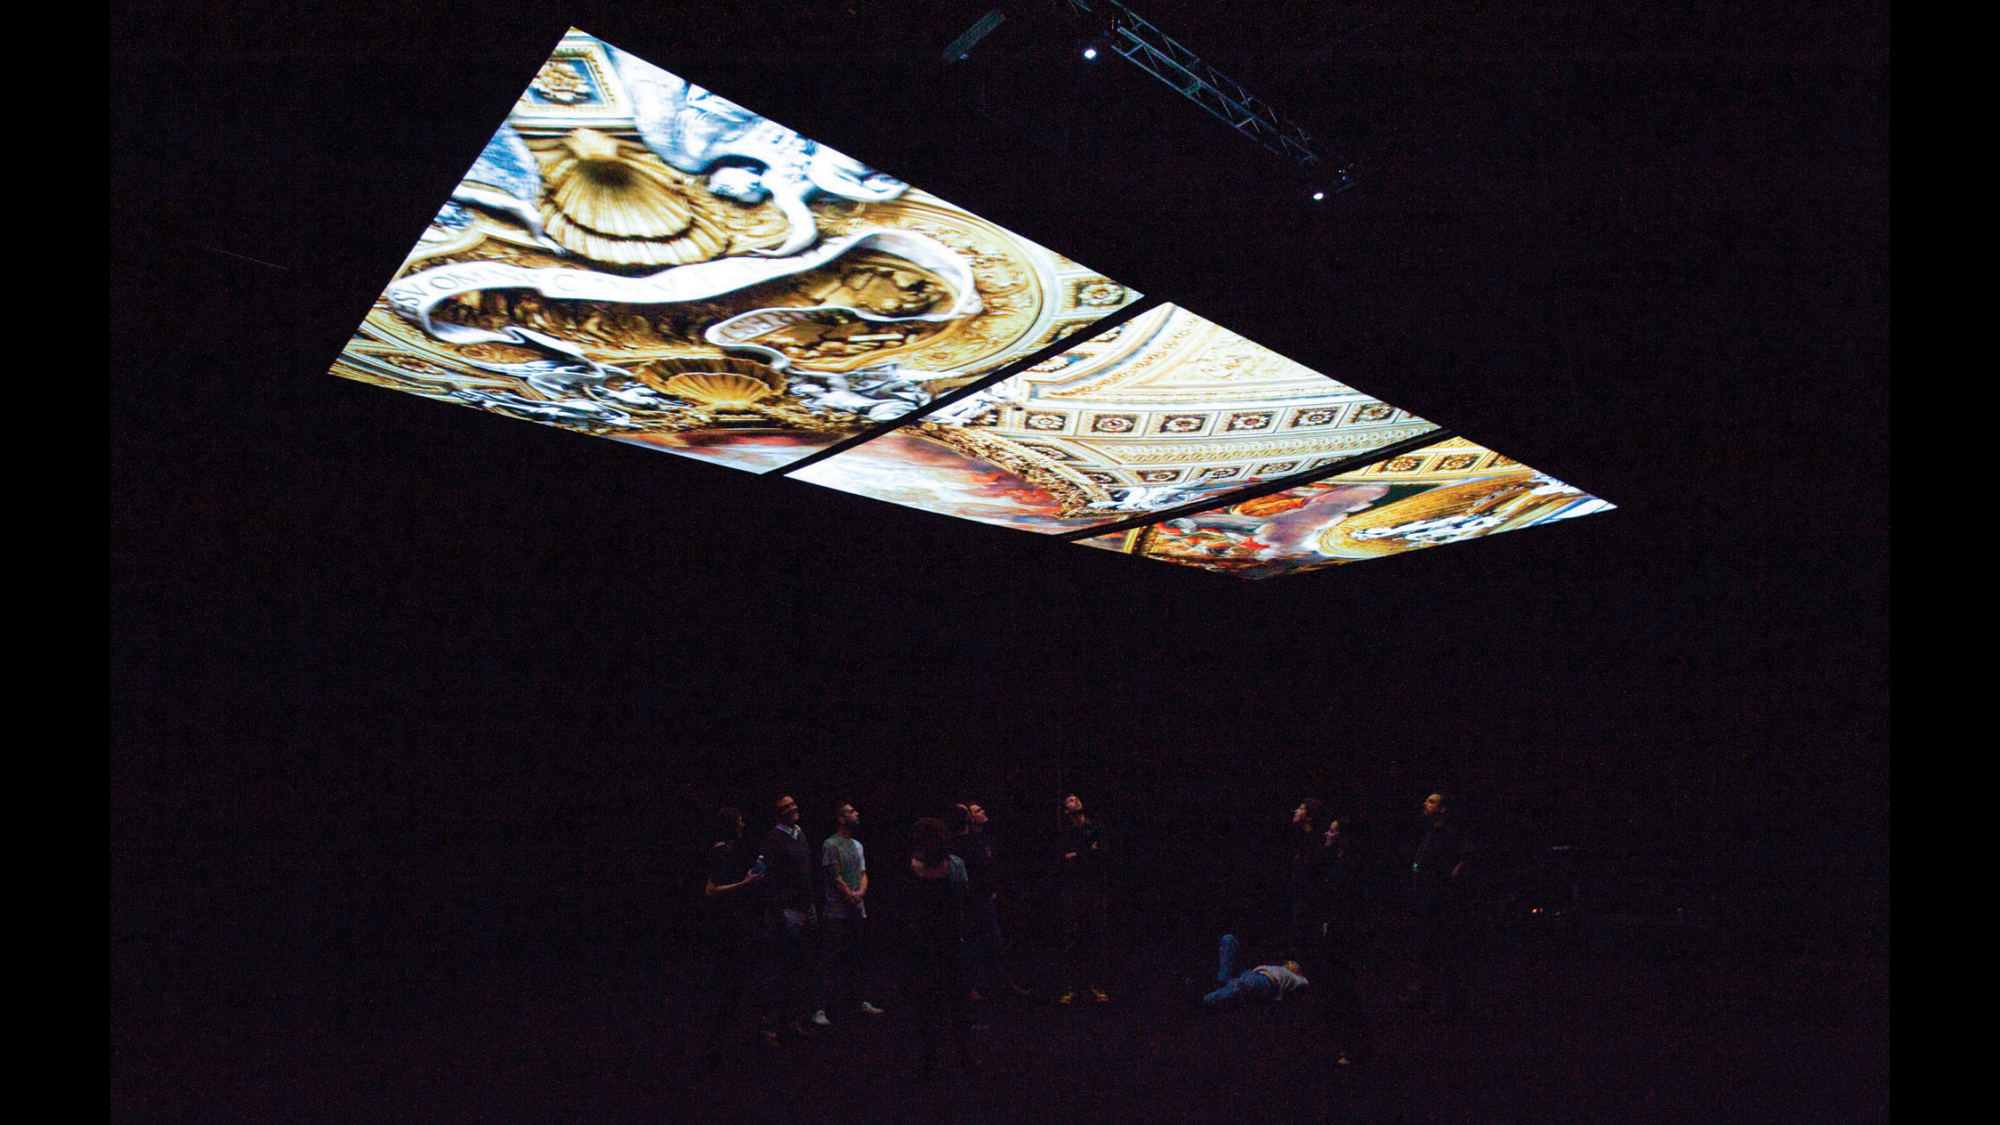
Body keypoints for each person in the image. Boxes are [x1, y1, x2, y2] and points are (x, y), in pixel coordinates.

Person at [901, 817, 974, 1077]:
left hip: (925, 947)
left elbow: (907, 910)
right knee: (957, 1005)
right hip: (951, 943)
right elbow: (964, 900)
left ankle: (931, 1060)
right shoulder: (955, 865)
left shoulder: (913, 869)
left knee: (928, 1007)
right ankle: (964, 1058)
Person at [699, 807, 764, 1052]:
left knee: (733, 985)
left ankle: (723, 1040)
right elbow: (712, 891)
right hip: (725, 928)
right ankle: (718, 1044)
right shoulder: (721, 852)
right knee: (730, 985)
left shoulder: (727, 851)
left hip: (729, 925)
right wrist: (745, 884)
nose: (743, 825)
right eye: (739, 821)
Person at [757, 794, 819, 1043]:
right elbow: (767, 878)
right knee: (777, 968)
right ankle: (769, 1024)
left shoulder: (799, 834)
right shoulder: (773, 839)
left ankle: (792, 1019)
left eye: (794, 804)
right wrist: (777, 910)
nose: (793, 808)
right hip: (787, 911)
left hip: (806, 908)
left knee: (800, 967)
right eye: (786, 807)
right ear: (777, 814)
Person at [818, 803, 885, 1023]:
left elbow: (863, 872)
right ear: (841, 818)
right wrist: (849, 895)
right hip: (837, 912)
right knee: (831, 959)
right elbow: (834, 875)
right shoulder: (830, 844)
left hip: (856, 910)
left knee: (855, 958)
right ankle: (822, 1008)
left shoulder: (857, 845)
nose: (856, 814)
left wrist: (861, 893)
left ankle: (857, 1001)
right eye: (851, 812)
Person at [1408, 791, 1471, 1015]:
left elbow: (1463, 861)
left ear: (1443, 809)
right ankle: (1424, 993)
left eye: (1432, 801)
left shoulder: (1452, 834)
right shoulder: (1429, 832)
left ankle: (1446, 999)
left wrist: (1449, 886)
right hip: (1425, 900)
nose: (1426, 804)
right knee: (1425, 948)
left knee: (1444, 950)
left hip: (1442, 902)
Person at [1057, 794, 1113, 1004]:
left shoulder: (1097, 828)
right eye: (1070, 800)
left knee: (1097, 937)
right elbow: (1063, 859)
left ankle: (1097, 985)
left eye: (1077, 799)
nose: (1076, 801)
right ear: (1065, 810)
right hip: (1073, 890)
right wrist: (1088, 852)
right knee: (1072, 938)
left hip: (1095, 889)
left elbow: (1103, 854)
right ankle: (1071, 986)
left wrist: (1078, 855)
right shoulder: (1065, 833)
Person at [1203, 933, 1309, 1008]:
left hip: (1264, 981)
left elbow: (1305, 983)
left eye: (1293, 963)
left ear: (1298, 972)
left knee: (1241, 985)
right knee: (1228, 939)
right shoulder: (1278, 968)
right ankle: (1222, 981)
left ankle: (1206, 1000)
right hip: (1250, 973)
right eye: (1289, 962)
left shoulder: (1296, 978)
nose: (1289, 962)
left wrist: (1301, 976)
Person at [1288, 798, 1332, 963]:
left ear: (1309, 817)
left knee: (1305, 941)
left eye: (1301, 809)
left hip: (1308, 902)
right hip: (1301, 899)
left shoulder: (1314, 842)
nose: (1296, 811)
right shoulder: (1303, 839)